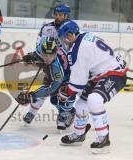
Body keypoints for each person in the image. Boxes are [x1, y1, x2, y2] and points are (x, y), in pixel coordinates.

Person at [57, 20, 128, 153]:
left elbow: (78, 83)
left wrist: (68, 92)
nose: (63, 41)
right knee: (81, 105)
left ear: (71, 34)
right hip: (103, 73)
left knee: (94, 100)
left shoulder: (78, 51)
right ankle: (79, 134)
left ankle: (103, 139)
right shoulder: (87, 35)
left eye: (64, 37)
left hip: (114, 74)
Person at [15, 36, 76, 130]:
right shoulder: (43, 49)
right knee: (45, 92)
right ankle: (32, 112)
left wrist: (32, 96)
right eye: (45, 55)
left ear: (55, 53)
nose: (48, 58)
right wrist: (30, 57)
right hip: (51, 73)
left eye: (51, 55)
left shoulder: (57, 67)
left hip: (66, 78)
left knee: (59, 97)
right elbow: (37, 54)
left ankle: (68, 112)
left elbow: (51, 88)